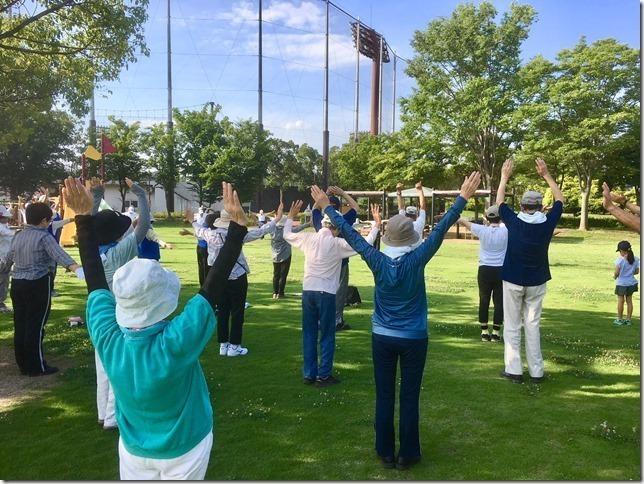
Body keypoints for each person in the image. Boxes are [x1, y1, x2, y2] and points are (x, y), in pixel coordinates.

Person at [65, 177, 248, 480]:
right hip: (186, 447)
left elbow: (95, 281)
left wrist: (83, 218)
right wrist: (238, 230)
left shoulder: (108, 337)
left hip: (135, 450)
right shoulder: (176, 341)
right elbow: (212, 288)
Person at [310, 173, 481, 470]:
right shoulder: (416, 258)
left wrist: (327, 207)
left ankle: (385, 451)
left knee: (385, 394)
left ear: (389, 238)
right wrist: (461, 199)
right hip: (413, 337)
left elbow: (351, 236)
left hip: (383, 337)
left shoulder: (378, 259)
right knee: (409, 396)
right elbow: (440, 230)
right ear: (411, 238)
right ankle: (407, 454)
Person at [284, 200, 378, 388]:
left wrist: (290, 216)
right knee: (327, 334)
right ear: (336, 228)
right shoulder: (337, 243)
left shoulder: (309, 238)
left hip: (308, 291)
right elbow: (365, 245)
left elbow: (287, 234)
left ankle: (309, 374)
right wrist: (376, 224)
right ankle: (324, 375)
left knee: (309, 333)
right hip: (325, 293)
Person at [496, 158, 564, 384]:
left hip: (513, 279)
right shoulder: (547, 223)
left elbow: (499, 203)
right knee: (533, 325)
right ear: (539, 206)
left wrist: (505, 177)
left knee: (513, 326)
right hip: (537, 280)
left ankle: (514, 370)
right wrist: (546, 174)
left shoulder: (514, 221)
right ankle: (537, 372)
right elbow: (560, 199)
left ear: (523, 206)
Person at [90, 176, 151, 430]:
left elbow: (87, 226)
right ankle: (114, 417)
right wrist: (141, 195)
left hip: (98, 311)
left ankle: (102, 412)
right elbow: (144, 225)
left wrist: (95, 197)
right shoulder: (122, 250)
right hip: (121, 309)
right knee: (119, 362)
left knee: (102, 363)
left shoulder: (90, 248)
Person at [0, 202, 83, 376]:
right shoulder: (44, 237)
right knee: (36, 325)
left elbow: (8, 260)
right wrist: (77, 269)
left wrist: (4, 272)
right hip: (37, 284)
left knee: (21, 324)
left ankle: (23, 364)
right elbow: (59, 255)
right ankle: (37, 367)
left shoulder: (18, 235)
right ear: (44, 221)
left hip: (18, 284)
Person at [190, 203, 280, 357]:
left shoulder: (210, 234)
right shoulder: (237, 235)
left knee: (223, 310)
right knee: (237, 311)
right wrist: (276, 219)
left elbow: (199, 229)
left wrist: (191, 221)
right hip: (237, 276)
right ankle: (234, 346)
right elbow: (259, 232)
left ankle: (223, 345)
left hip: (219, 278)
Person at [457, 205, 508, 342]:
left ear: (486, 218)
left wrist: (455, 213)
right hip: (501, 269)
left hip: (484, 269)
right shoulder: (506, 231)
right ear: (500, 218)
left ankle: (484, 331)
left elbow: (463, 221)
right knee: (499, 302)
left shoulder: (482, 230)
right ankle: (496, 332)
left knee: (484, 300)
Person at [311, 186, 359, 331]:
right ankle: (336, 321)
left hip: (322, 263)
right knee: (339, 292)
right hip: (341, 262)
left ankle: (321, 320)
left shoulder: (320, 221)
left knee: (323, 291)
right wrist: (343, 193)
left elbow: (314, 209)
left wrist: (322, 197)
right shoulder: (343, 221)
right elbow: (355, 207)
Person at [269, 197, 311, 299]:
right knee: (283, 275)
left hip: (275, 255)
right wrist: (308, 224)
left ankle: (275, 293)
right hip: (286, 255)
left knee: (276, 274)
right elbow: (299, 228)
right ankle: (281, 293)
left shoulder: (272, 230)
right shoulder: (287, 231)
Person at [613, 240, 639, 326]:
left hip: (622, 283)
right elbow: (636, 271)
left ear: (622, 251)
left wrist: (615, 276)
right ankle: (628, 320)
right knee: (629, 301)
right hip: (631, 282)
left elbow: (617, 272)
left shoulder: (619, 261)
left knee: (621, 301)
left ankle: (619, 319)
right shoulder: (635, 259)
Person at [0, 205, 15, 313]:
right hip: (2, 258)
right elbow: (10, 234)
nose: (7, 218)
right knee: (2, 281)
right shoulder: (1, 227)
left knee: (4, 281)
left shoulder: (4, 226)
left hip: (6, 258)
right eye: (5, 217)